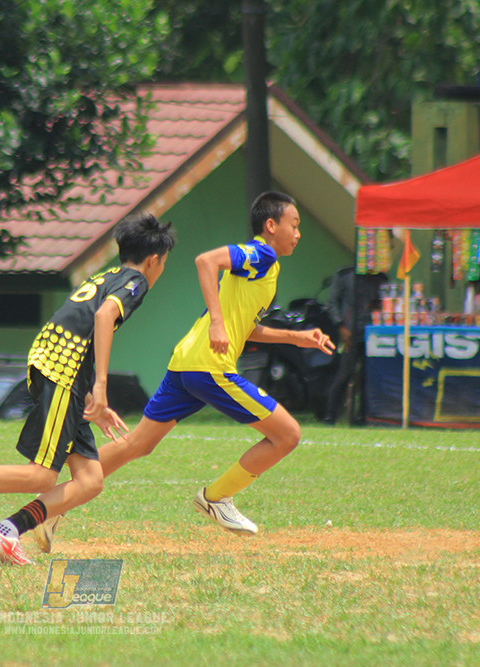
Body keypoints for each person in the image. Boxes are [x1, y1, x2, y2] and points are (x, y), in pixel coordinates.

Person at [33, 192, 334, 552]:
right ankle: (216, 498)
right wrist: (217, 324)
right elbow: (206, 261)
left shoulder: (267, 268)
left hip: (188, 362)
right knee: (287, 435)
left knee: (137, 445)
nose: (298, 233)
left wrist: (296, 337)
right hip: (208, 367)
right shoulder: (261, 253)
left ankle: (52, 504)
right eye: (295, 225)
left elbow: (245, 328)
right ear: (272, 226)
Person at [0, 212, 175, 565]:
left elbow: (81, 327)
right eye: (163, 263)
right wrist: (101, 386)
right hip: (61, 368)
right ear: (153, 260)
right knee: (41, 475)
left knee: (90, 479)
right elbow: (103, 317)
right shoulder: (135, 281)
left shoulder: (108, 274)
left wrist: (90, 396)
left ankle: (7, 530)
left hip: (61, 366)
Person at [321, 266, 386, 425]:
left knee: (367, 376)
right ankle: (330, 415)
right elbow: (332, 303)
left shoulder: (380, 277)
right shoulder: (344, 275)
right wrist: (341, 326)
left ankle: (362, 416)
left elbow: (383, 303)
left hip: (372, 332)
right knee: (344, 373)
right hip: (349, 332)